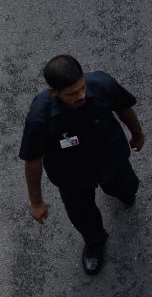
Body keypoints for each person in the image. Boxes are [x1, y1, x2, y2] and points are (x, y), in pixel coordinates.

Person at [19, 55, 145, 274]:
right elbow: (33, 160)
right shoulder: (40, 118)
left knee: (127, 188)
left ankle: (123, 193)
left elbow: (123, 108)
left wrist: (137, 134)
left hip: (111, 158)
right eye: (72, 94)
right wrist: (36, 201)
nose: (81, 95)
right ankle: (95, 243)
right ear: (53, 92)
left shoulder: (103, 84)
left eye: (82, 88)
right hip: (71, 174)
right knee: (82, 215)